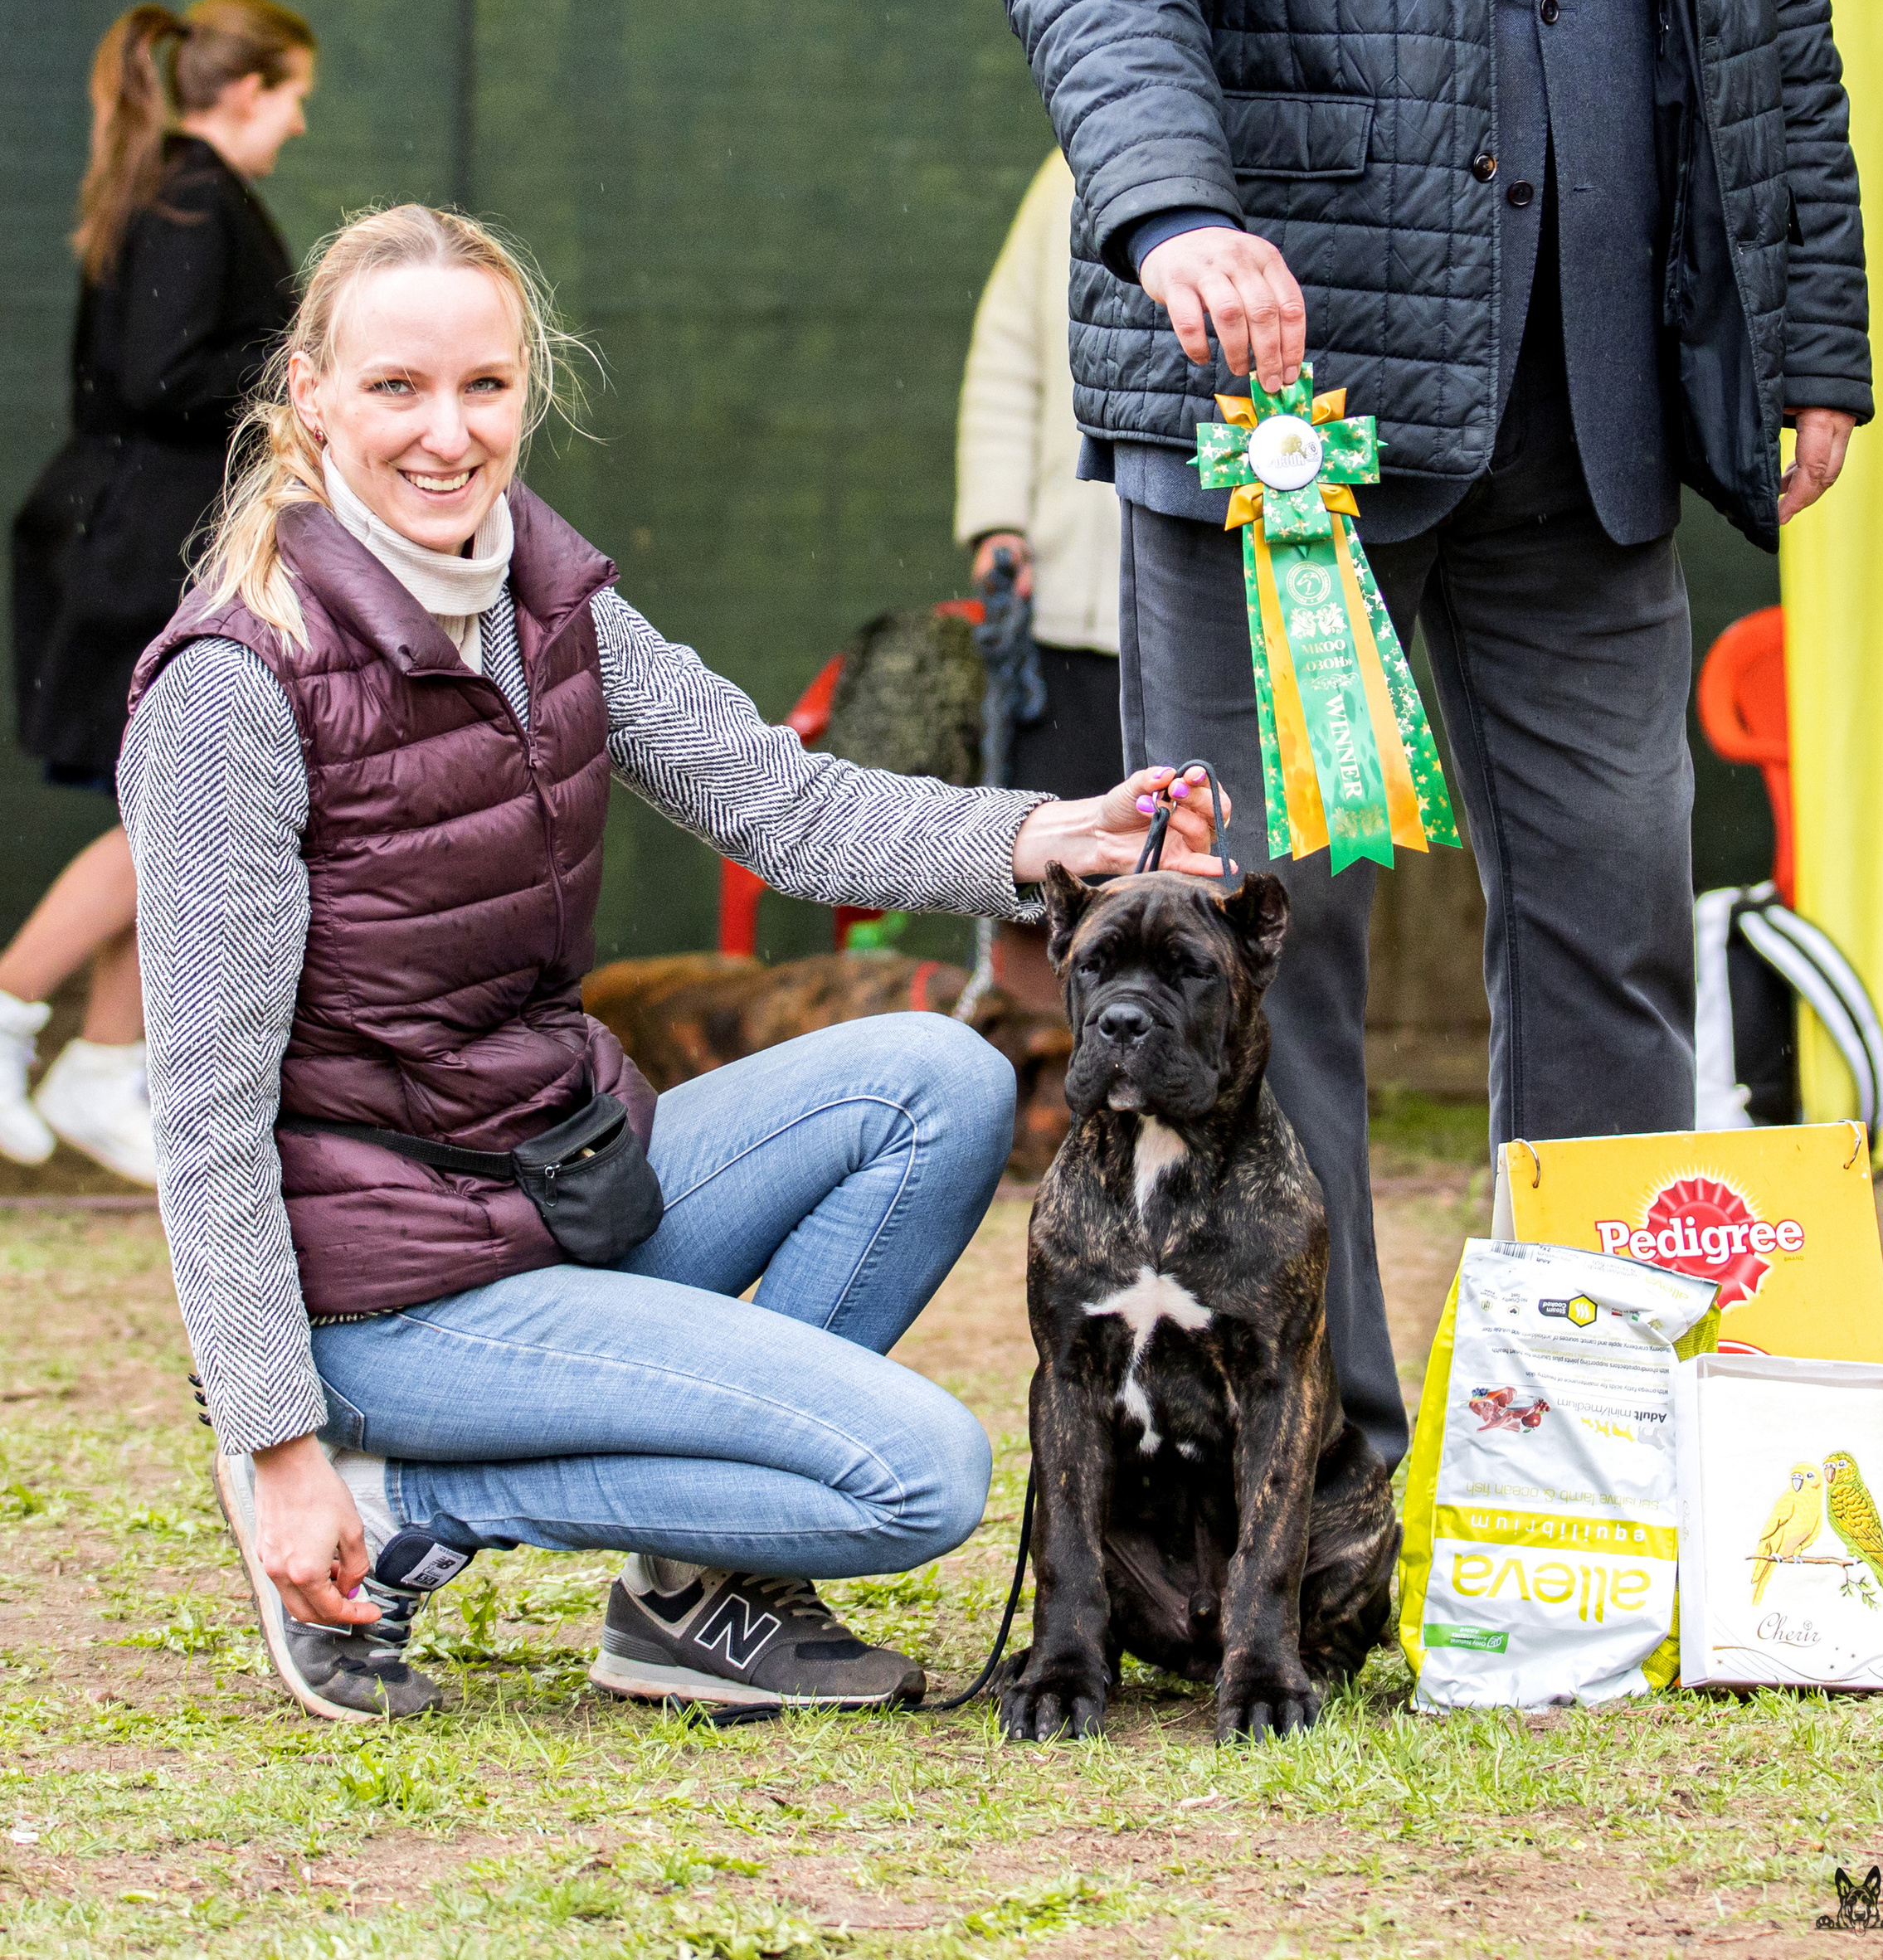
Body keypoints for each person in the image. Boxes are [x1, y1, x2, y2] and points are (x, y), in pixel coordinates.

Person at [998, 0, 1871, 1469]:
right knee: (1239, 963)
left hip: (1593, 397)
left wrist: (1803, 325)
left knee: (1611, 929)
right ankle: (1321, 1489)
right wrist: (1172, 207)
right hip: (1271, 407)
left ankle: (1581, 1473)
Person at [119, 202, 1223, 1726]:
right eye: (396, 388)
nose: (449, 433)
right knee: (918, 1474)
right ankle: (402, 1501)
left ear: (530, 387)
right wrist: (280, 1441)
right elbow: (206, 1113)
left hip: (559, 1189)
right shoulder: (234, 686)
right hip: (380, 1304)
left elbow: (783, 802)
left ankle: (695, 1595)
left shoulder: (541, 594)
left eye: (486, 385)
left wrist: (1051, 831)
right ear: (309, 395)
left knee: (940, 1076)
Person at [3, 0, 314, 1182]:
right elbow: (165, 372)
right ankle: (14, 1005)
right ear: (248, 89)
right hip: (134, 546)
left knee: (163, 807)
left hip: (140, 536)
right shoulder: (191, 196)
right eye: (292, 96)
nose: (296, 123)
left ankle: (100, 1063)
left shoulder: (179, 188)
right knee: (169, 810)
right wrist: (304, 366)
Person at [955, 146, 1124, 1007]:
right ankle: (1034, 1061)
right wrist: (998, 520)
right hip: (1061, 618)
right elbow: (1007, 354)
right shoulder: (1068, 172)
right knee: (1040, 873)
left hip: (1221, 620)